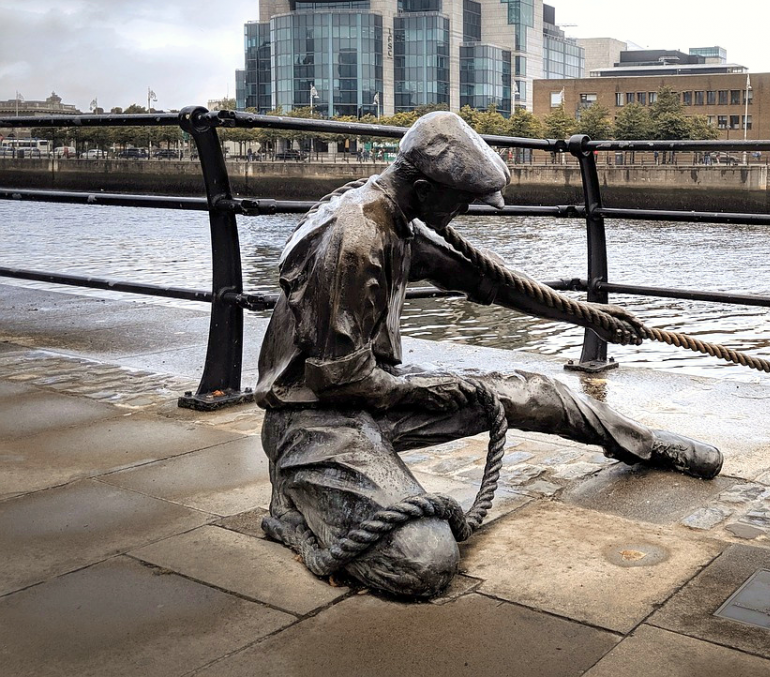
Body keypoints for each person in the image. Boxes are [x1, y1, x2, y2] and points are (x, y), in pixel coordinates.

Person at [256, 111, 722, 599]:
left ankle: (642, 444)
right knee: (425, 563)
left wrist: (586, 314)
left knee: (539, 393)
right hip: (314, 417)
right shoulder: (354, 238)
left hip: (376, 393)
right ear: (424, 189)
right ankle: (296, 499)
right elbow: (338, 380)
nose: (464, 212)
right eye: (460, 202)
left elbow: (487, 279)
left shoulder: (396, 214)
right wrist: (429, 390)